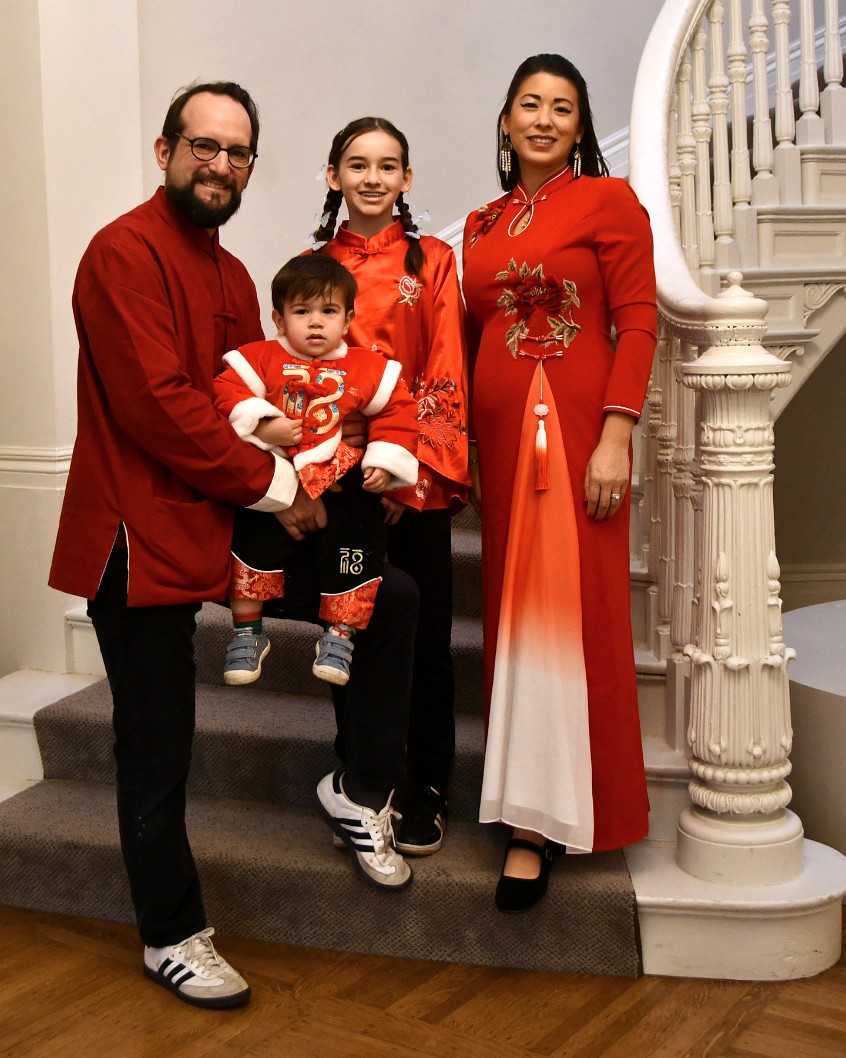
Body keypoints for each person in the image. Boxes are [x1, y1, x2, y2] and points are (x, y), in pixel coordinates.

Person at [48, 83, 418, 1011]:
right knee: (157, 744)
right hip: (137, 534)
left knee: (391, 599)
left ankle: (355, 785)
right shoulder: (119, 252)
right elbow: (159, 405)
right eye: (203, 146)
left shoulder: (237, 275)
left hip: (222, 525)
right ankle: (171, 934)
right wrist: (280, 488)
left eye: (238, 153)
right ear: (166, 149)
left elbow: (263, 405)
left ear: (251, 168)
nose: (220, 164)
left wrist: (343, 462)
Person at [461, 54, 657, 912]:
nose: (543, 119)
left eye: (563, 108)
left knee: (581, 612)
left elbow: (639, 319)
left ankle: (555, 822)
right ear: (505, 122)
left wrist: (617, 434)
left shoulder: (608, 204)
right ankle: (527, 805)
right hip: (502, 441)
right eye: (529, 105)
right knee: (514, 616)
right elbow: (460, 336)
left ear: (581, 128)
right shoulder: (479, 224)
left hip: (579, 433)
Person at [311, 116, 470, 856]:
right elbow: (298, 378)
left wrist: (404, 474)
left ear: (406, 179)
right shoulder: (312, 269)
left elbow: (444, 372)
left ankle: (426, 786)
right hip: (343, 495)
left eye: (387, 165)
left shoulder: (432, 262)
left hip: (415, 493)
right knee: (349, 625)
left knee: (428, 640)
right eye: (357, 164)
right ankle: (359, 777)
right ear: (335, 176)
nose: (372, 177)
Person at [213, 253, 418, 687]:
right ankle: (247, 632)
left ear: (347, 320)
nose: (315, 323)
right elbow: (225, 393)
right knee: (251, 537)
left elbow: (399, 412)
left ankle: (340, 634)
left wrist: (384, 462)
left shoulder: (369, 367)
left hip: (341, 478)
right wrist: (264, 422)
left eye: (328, 312)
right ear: (279, 319)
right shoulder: (259, 359)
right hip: (280, 477)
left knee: (356, 542)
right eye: (301, 312)